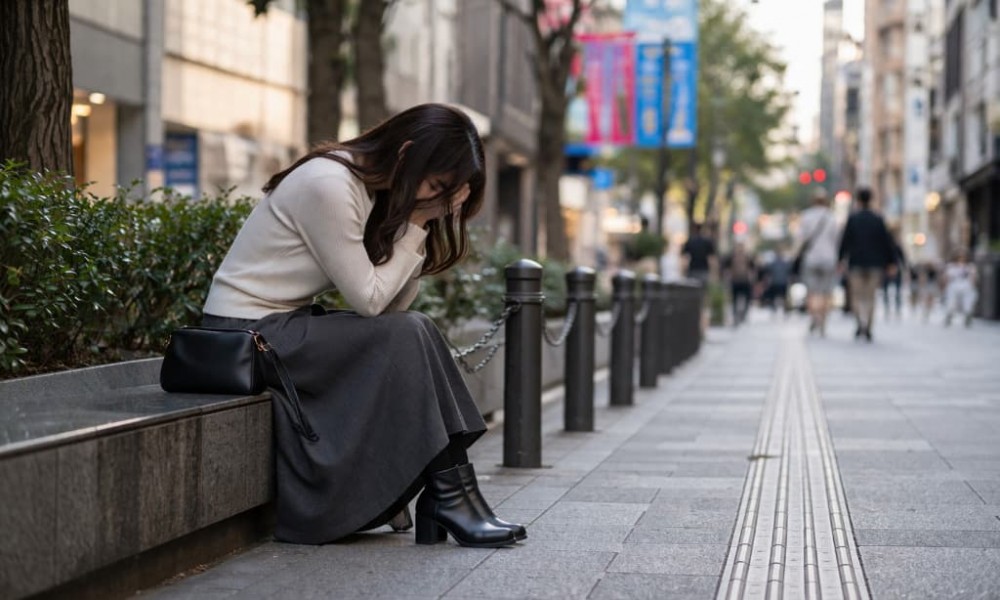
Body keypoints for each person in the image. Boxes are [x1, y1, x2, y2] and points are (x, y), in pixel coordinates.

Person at [201, 103, 524, 548]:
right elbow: (372, 304)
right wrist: (415, 224)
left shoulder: (371, 189)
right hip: (243, 334)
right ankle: (451, 499)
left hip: (280, 326)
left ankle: (452, 496)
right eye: (434, 185)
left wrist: (417, 227)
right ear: (407, 151)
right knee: (412, 330)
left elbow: (392, 306)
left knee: (416, 328)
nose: (432, 200)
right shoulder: (329, 185)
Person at [837, 187, 897, 341]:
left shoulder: (853, 219)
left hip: (856, 262)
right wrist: (891, 262)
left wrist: (840, 260)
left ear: (857, 200)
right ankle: (868, 326)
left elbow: (845, 242)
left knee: (857, 296)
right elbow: (887, 242)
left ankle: (859, 324)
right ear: (871, 199)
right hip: (875, 264)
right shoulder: (878, 219)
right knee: (871, 297)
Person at [794, 190, 840, 336]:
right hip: (829, 259)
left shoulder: (806, 216)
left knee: (812, 292)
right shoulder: (832, 218)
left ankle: (814, 318)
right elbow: (837, 240)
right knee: (826, 292)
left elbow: (800, 238)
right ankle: (823, 320)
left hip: (811, 258)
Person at [722, 242, 756, 326]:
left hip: (744, 281)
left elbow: (753, 268)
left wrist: (751, 277)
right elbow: (726, 268)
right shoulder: (732, 257)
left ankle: (742, 314)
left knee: (745, 299)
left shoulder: (747, 257)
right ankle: (736, 315)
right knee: (735, 299)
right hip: (736, 281)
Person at [942, 250, 978, 327]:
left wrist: (973, 283)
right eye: (959, 257)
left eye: (963, 257)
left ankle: (967, 317)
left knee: (968, 302)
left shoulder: (970, 266)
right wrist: (945, 285)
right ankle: (949, 315)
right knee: (951, 301)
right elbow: (946, 277)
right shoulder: (951, 266)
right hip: (954, 285)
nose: (961, 259)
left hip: (966, 285)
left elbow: (973, 277)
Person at [881, 226, 907, 319]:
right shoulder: (893, 246)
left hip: (891, 270)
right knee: (892, 292)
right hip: (890, 270)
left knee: (894, 292)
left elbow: (903, 259)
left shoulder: (887, 246)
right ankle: (892, 310)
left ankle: (893, 310)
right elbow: (903, 259)